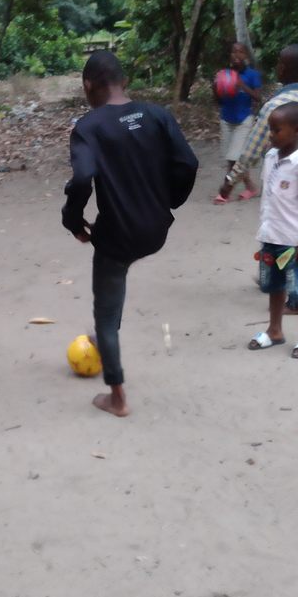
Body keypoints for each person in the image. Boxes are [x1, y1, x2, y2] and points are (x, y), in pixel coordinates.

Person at [61, 51, 199, 417]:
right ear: (125, 81)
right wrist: (166, 201)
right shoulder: (157, 115)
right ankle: (103, 340)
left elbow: (82, 178)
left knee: (106, 308)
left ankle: (117, 397)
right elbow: (188, 162)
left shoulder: (88, 127)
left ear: (88, 85)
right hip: (156, 229)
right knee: (115, 282)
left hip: (119, 236)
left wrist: (73, 221)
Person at [246, 102, 298, 359]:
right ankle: (274, 330)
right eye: (270, 129)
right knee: (274, 285)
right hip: (271, 236)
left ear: (297, 130)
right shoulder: (270, 157)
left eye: (276, 130)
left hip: (293, 241)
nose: (271, 135)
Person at [220, 44, 298, 206]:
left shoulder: (273, 106)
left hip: (280, 184)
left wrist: (229, 183)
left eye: (279, 63)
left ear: (282, 68)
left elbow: (251, 150)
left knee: (278, 219)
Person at [213, 42, 262, 204]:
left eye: (240, 52)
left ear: (246, 55)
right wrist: (216, 87)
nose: (236, 55)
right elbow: (219, 101)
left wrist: (242, 85)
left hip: (244, 120)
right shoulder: (224, 74)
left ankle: (225, 191)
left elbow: (258, 98)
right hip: (226, 119)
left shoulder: (252, 74)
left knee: (234, 159)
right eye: (234, 52)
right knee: (231, 157)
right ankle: (251, 188)